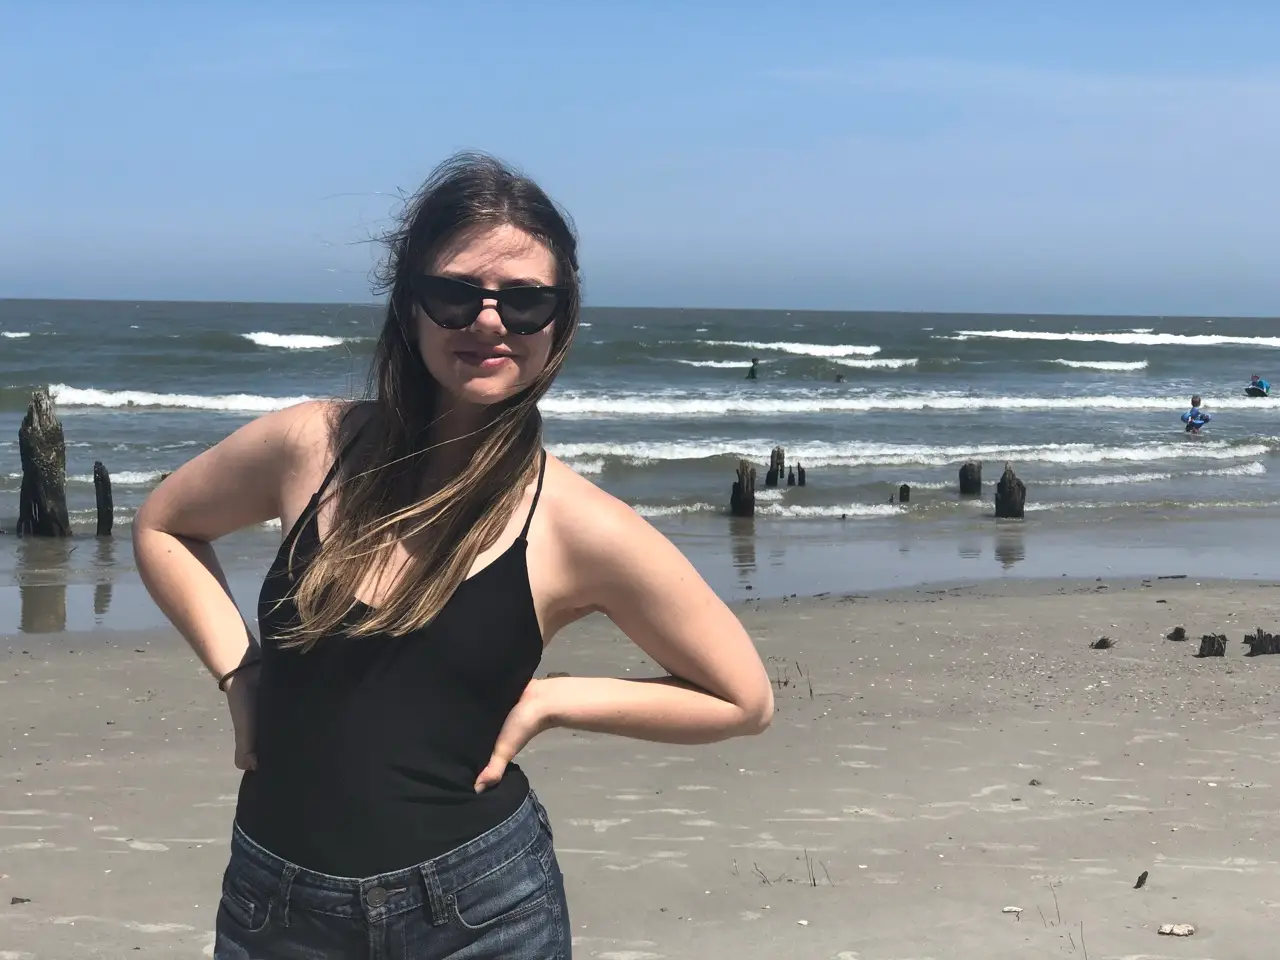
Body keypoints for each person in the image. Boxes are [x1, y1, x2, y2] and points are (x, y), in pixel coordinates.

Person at [133, 153, 773, 960]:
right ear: (411, 308)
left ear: (561, 322)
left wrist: (556, 700)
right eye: (456, 294)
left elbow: (743, 701)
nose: (489, 321)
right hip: (276, 908)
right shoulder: (312, 445)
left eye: (526, 301)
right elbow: (162, 526)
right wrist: (241, 672)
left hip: (480, 911)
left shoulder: (581, 525)